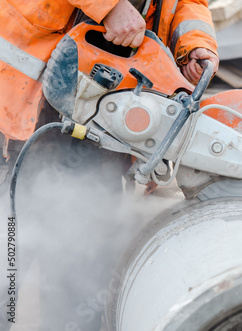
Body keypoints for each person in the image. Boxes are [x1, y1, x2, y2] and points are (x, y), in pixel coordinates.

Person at [0, 1, 218, 329]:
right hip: (34, 95)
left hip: (107, 103)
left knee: (80, 261)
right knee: (12, 250)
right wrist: (110, 5)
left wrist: (196, 43)